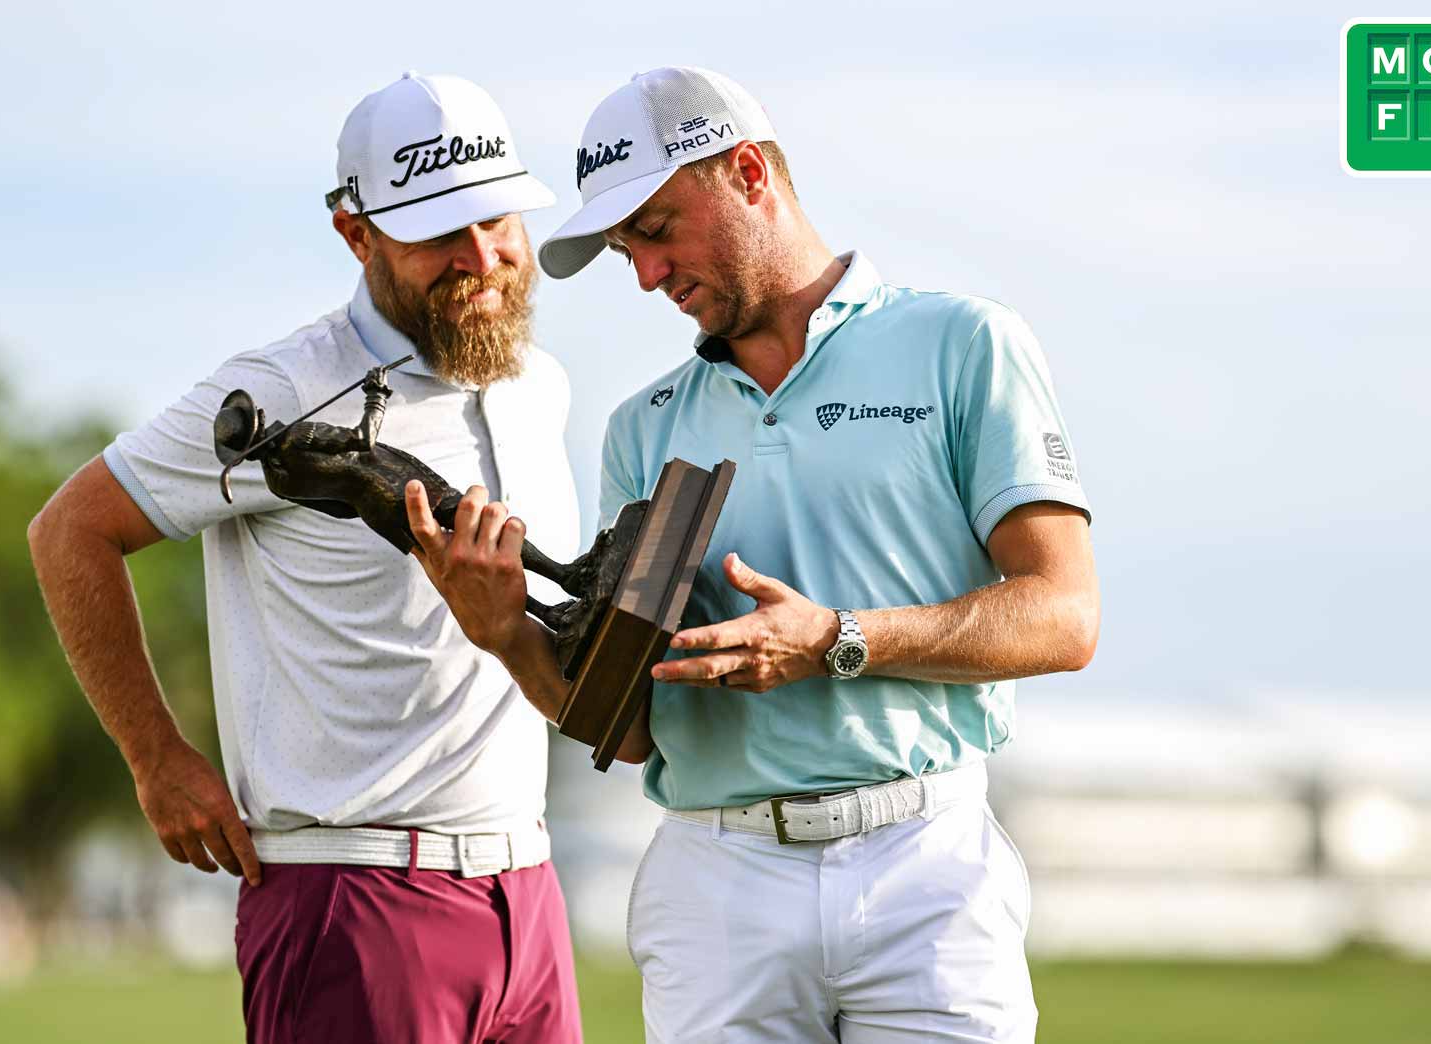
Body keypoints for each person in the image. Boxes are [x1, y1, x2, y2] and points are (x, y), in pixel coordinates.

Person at [407, 65, 1100, 1042]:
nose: (645, 273)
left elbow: (1064, 616)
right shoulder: (641, 429)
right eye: (622, 251)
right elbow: (632, 725)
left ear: (745, 172)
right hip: (715, 886)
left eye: (653, 229)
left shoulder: (961, 344)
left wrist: (833, 639)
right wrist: (507, 639)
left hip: (926, 867)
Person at [27, 72, 583, 1044]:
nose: (480, 257)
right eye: (436, 234)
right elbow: (71, 530)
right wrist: (156, 758)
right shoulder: (283, 388)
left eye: (498, 222)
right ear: (357, 236)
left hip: (529, 893)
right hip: (351, 901)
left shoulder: (536, 382)